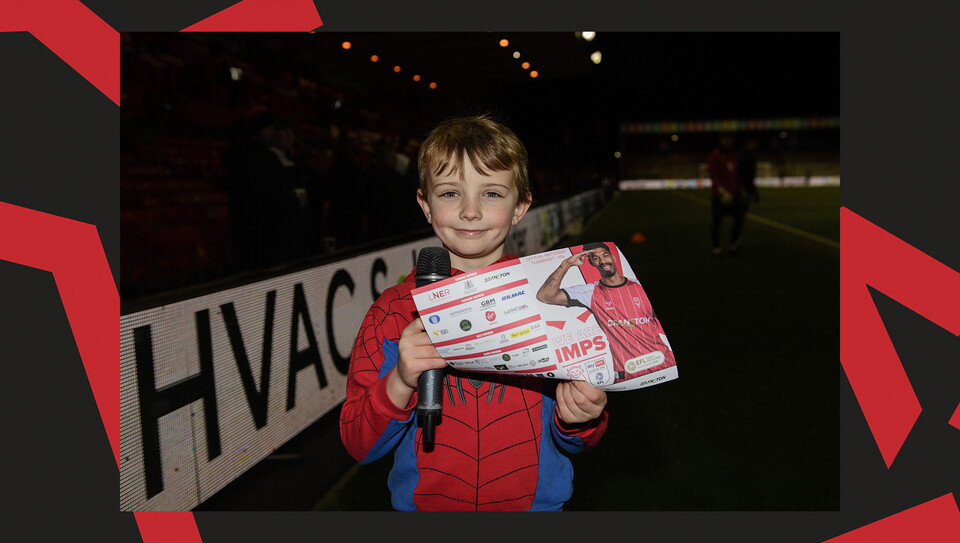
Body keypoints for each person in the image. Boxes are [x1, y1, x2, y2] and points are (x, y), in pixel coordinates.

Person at [339, 115, 609, 511]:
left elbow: (577, 437)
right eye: (449, 193)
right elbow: (358, 444)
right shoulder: (391, 313)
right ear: (425, 205)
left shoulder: (550, 302)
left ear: (521, 207)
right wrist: (400, 380)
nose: (470, 211)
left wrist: (581, 416)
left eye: (492, 194)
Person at [536, 242, 676, 384]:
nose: (602, 261)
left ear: (613, 258)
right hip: (628, 374)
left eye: (605, 255)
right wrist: (567, 263)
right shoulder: (589, 292)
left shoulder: (639, 286)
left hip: (665, 364)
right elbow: (545, 296)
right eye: (595, 258)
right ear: (591, 263)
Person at [707, 133, 747, 256]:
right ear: (720, 141)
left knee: (739, 219)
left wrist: (741, 189)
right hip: (719, 194)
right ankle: (716, 247)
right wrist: (721, 190)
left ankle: (732, 244)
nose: (727, 142)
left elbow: (738, 174)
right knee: (717, 220)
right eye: (725, 139)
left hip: (735, 193)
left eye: (730, 139)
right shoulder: (714, 155)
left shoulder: (736, 155)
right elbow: (713, 174)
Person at [739, 137, 760, 211]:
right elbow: (744, 173)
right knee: (742, 208)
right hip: (743, 186)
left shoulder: (750, 155)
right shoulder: (744, 156)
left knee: (744, 208)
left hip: (747, 185)